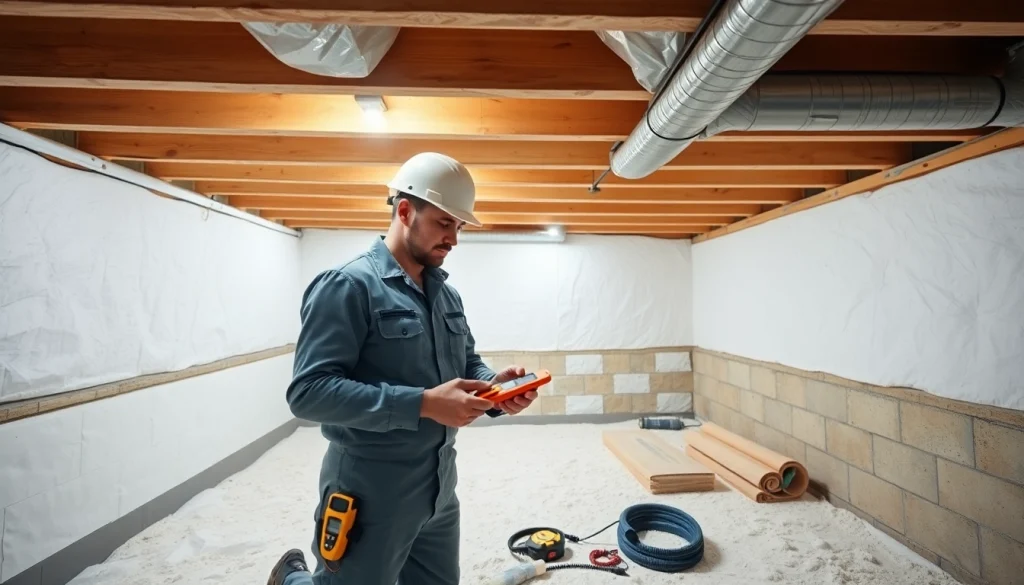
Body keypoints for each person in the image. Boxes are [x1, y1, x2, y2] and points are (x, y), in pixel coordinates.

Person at [267, 152, 538, 585]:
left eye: (459, 226)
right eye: (444, 223)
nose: (453, 239)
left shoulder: (446, 295)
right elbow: (309, 392)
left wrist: (494, 389)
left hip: (439, 487)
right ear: (406, 211)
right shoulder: (347, 286)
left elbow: (466, 361)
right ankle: (290, 579)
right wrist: (424, 404)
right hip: (370, 488)